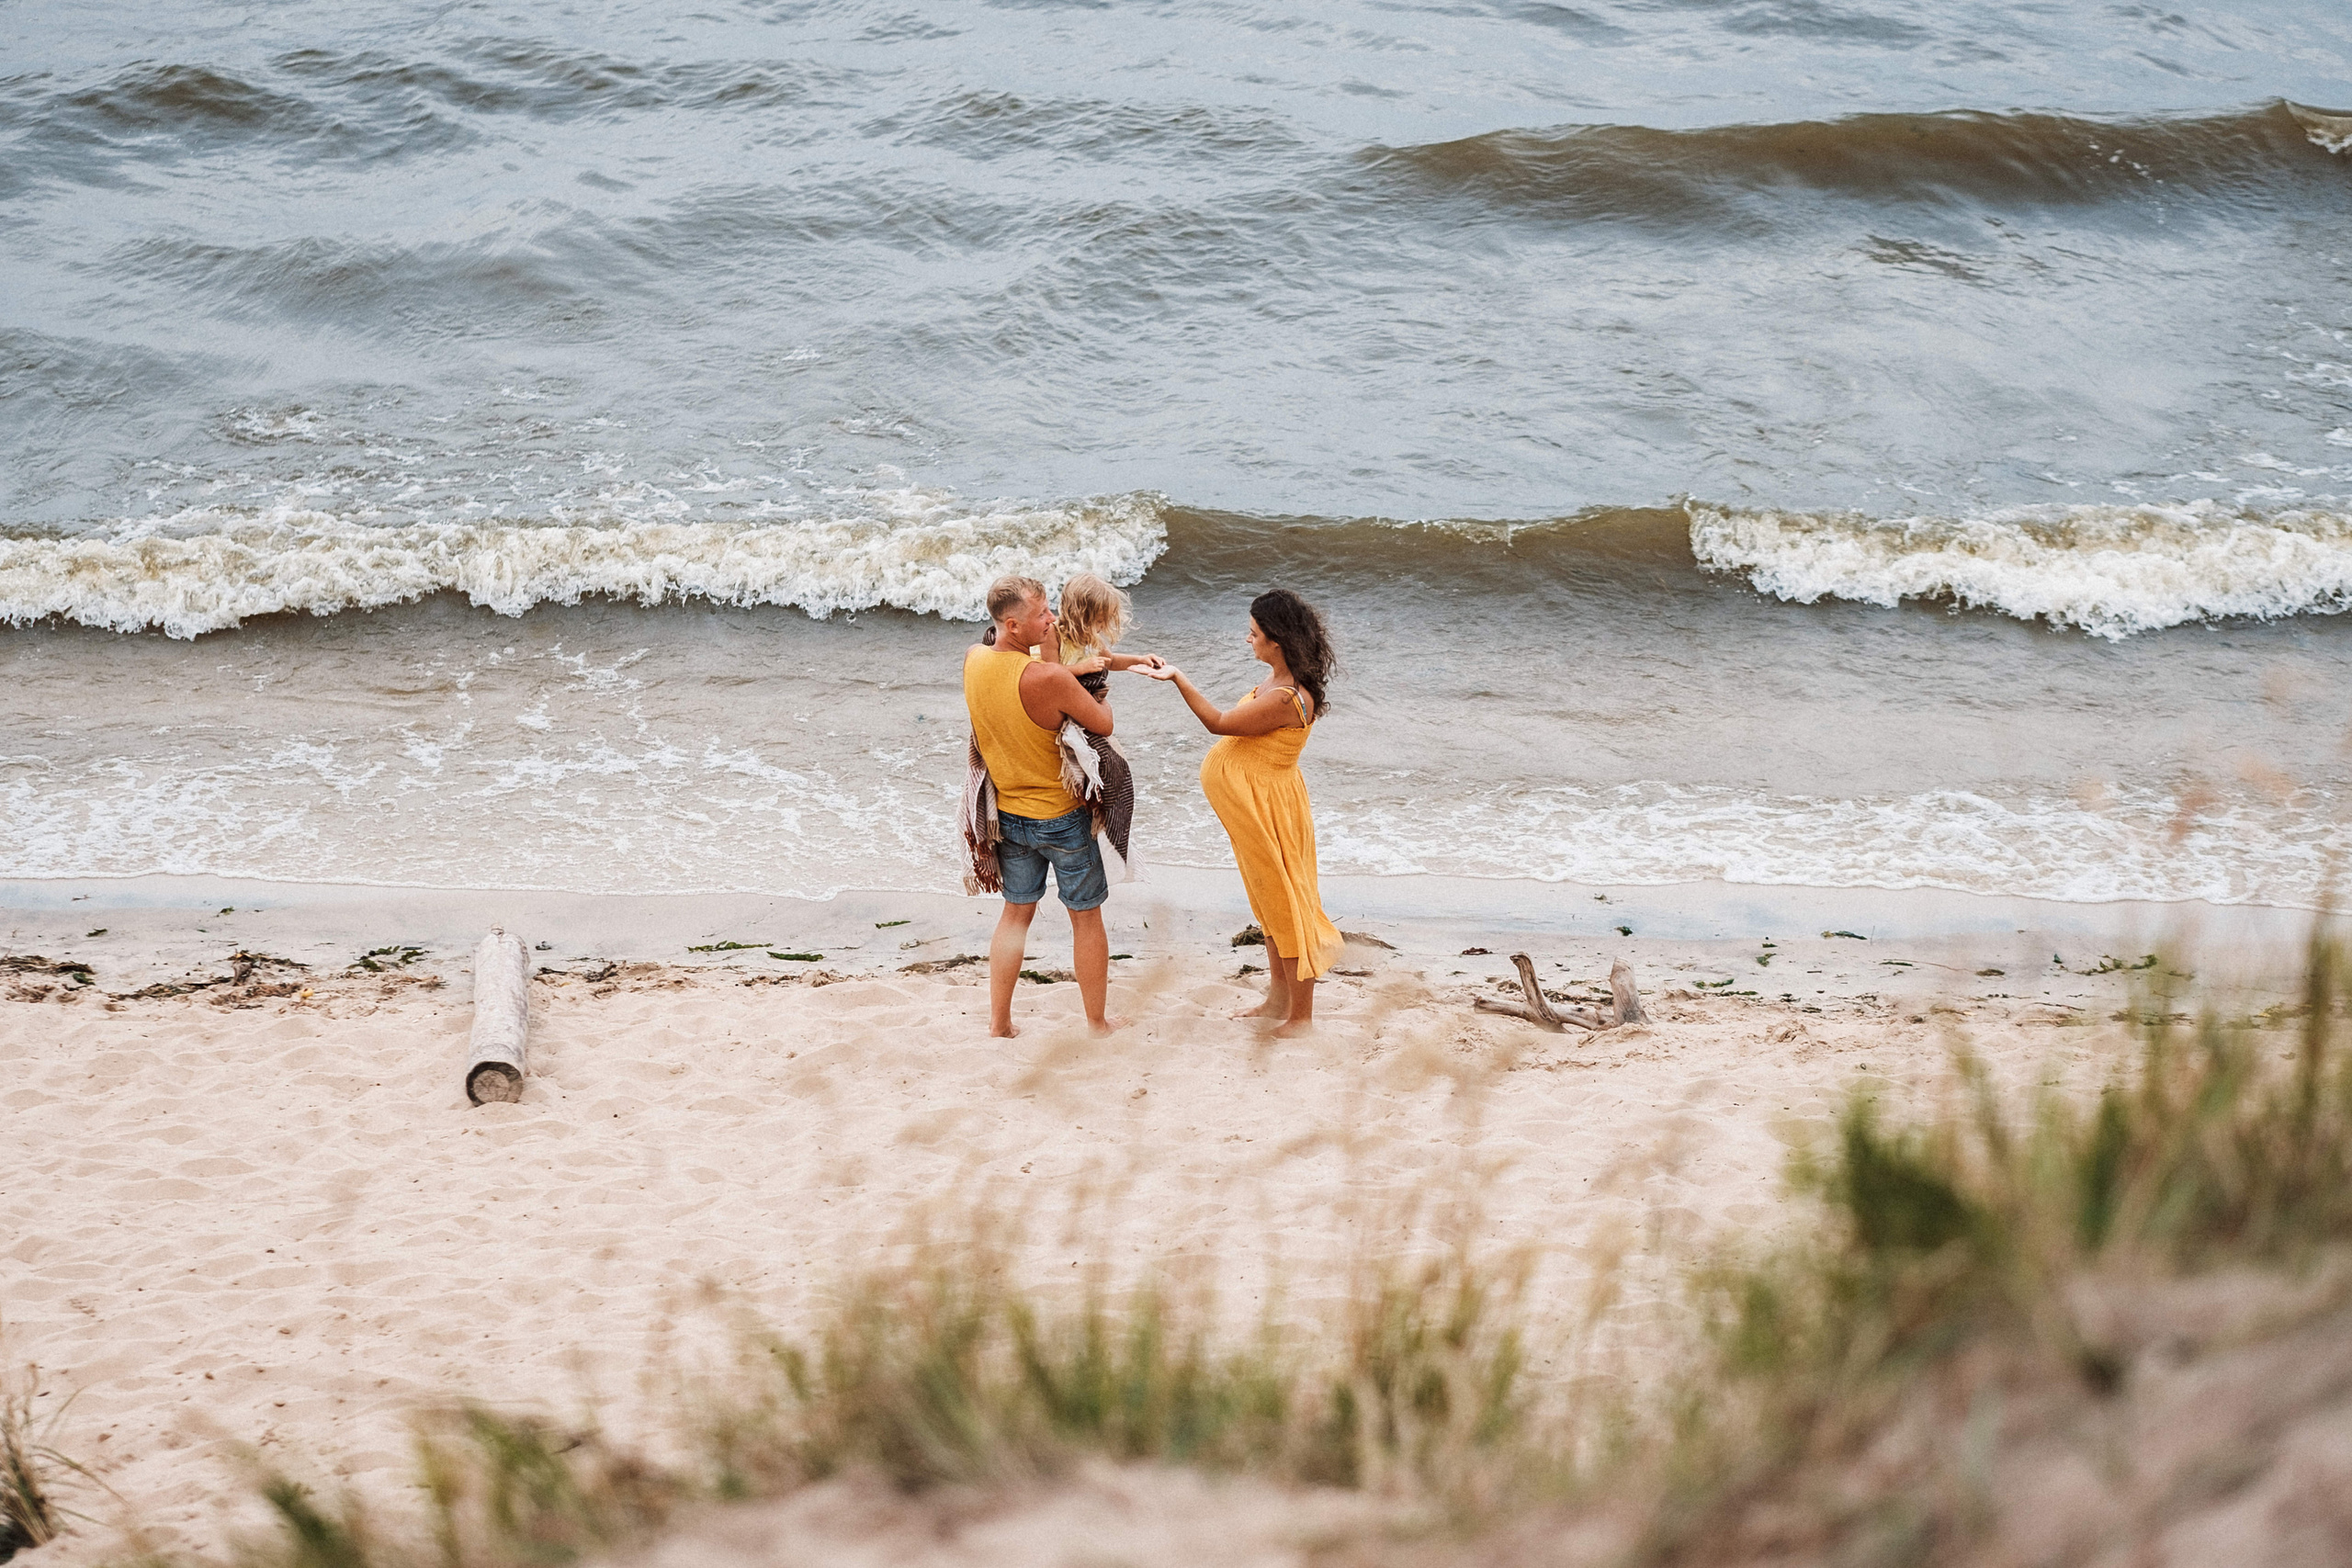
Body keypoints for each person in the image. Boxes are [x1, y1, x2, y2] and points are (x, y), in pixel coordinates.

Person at [1144, 589, 1342, 1037]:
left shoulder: (1287, 697)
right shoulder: (1275, 682)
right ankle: (1277, 1000)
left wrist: (1179, 678)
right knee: (1268, 903)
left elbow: (1218, 723)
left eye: (1253, 633)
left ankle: (1301, 1018)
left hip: (1270, 809)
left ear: (1277, 640)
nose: (1246, 639)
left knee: (1288, 906)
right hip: (1252, 809)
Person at [964, 574, 1126, 1039]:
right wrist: (1068, 670)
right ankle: (1097, 1022)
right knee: (1086, 917)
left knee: (1016, 913)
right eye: (1041, 614)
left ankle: (999, 1023)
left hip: (1007, 817)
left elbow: (996, 666)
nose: (1052, 619)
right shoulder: (1047, 678)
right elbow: (1103, 722)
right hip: (1061, 818)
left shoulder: (974, 660)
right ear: (1013, 625)